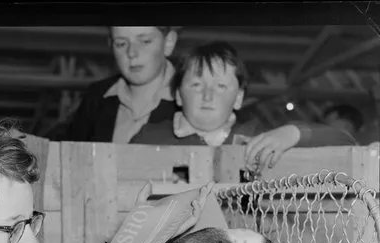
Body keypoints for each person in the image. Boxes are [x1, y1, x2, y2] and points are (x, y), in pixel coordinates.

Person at [131, 41, 357, 172]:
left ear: (238, 98)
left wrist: (293, 133)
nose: (208, 95)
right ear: (178, 95)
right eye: (196, 84)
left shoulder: (256, 139)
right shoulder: (149, 137)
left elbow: (347, 143)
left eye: (221, 86)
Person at [59, 26, 179, 143]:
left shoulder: (189, 100)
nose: (132, 53)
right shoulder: (96, 97)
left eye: (145, 41)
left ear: (168, 42)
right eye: (121, 44)